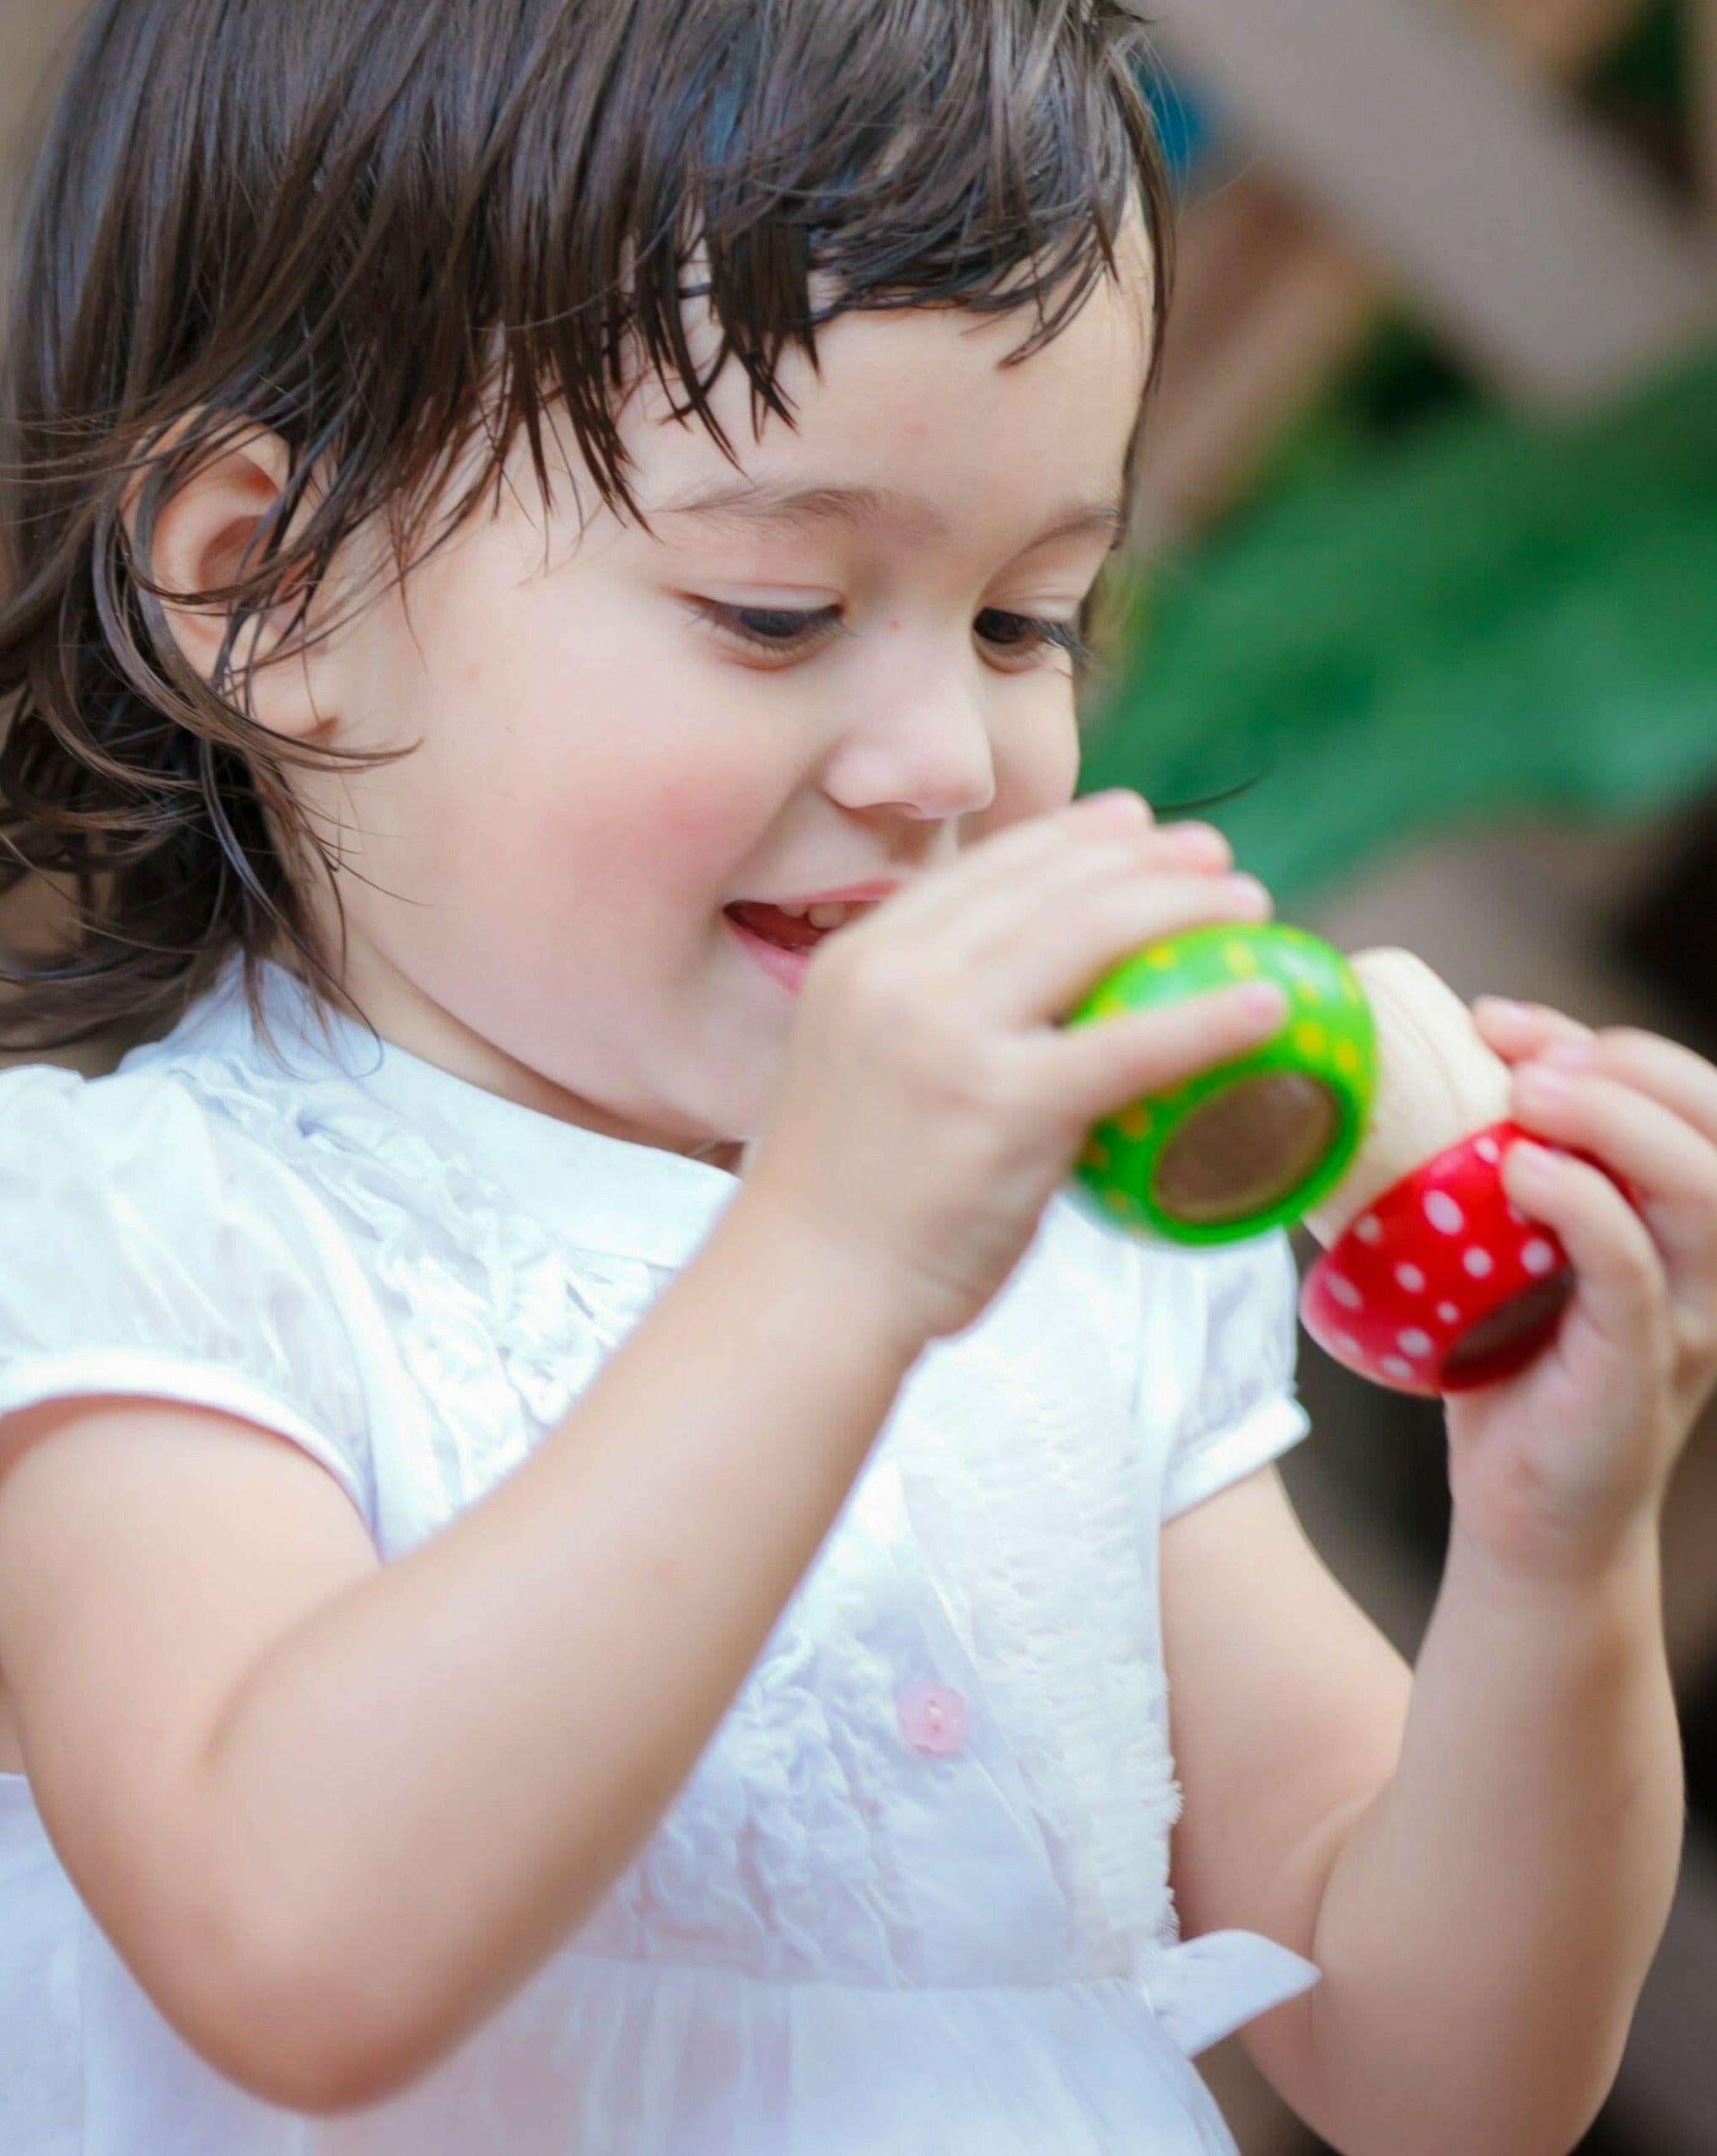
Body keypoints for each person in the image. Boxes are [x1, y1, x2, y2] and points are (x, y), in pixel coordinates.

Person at [0, 2, 1706, 2150]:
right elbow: (297, 1951)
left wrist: (1557, 1557)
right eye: (779, 610)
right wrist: (828, 1257)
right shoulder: (148, 1247)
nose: (940, 766)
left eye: (1026, 624)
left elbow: (1447, 2081)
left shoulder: (1079, 1273)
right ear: (265, 585)